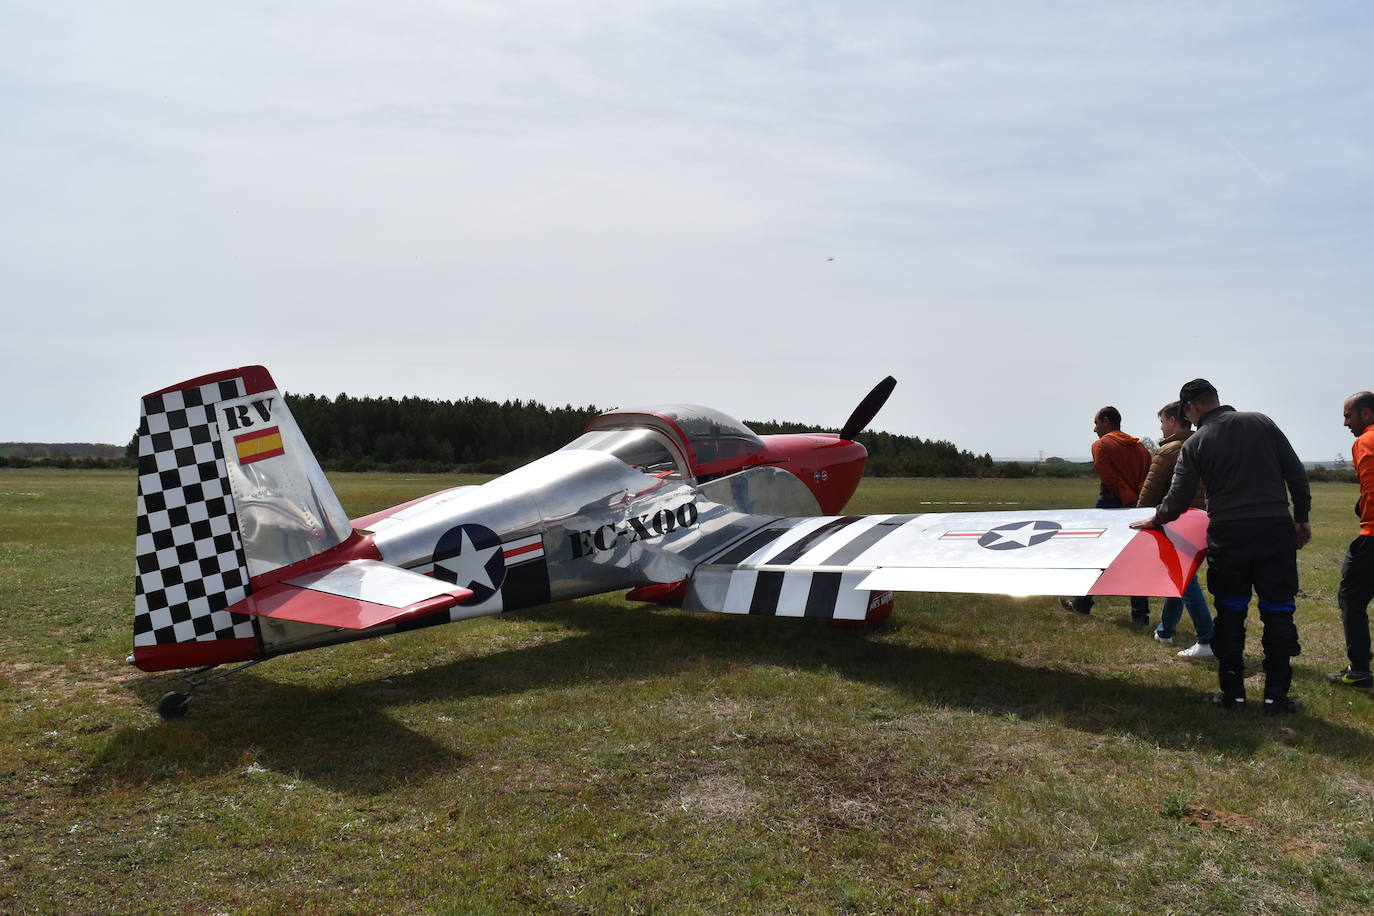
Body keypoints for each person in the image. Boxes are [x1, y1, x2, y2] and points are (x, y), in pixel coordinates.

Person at [1132, 379, 1311, 715]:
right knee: (1279, 612)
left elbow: (1177, 498)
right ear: (1214, 399)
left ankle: (1234, 695)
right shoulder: (1262, 422)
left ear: (1192, 408)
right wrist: (1301, 518)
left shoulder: (1196, 442)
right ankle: (1276, 697)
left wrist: (1156, 519)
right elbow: (1296, 475)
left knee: (1231, 614)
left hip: (1229, 537)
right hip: (1274, 530)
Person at [1137, 401, 1214, 659]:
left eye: (1161, 422)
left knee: (1184, 580)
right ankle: (1165, 630)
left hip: (1176, 522)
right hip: (1206, 519)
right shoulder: (1203, 445)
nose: (1160, 428)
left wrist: (1140, 518)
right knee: (1180, 576)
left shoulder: (1168, 451)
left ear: (1172, 421)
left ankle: (1207, 637)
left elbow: (1149, 494)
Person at [1060, 406, 1152, 620]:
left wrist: (1127, 499)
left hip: (1111, 505)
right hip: (1138, 506)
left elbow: (1109, 478)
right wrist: (1137, 501)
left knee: (1096, 555)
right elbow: (1148, 477)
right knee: (1136, 560)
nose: (1094, 429)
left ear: (1107, 421)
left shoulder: (1100, 445)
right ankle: (1140, 614)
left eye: (1096, 423)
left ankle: (1083, 602)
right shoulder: (1140, 448)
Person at [1327, 391, 1374, 689]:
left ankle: (1358, 670)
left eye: (1348, 415)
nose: (1345, 423)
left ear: (1366, 414)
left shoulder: (1365, 441)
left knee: (1351, 598)